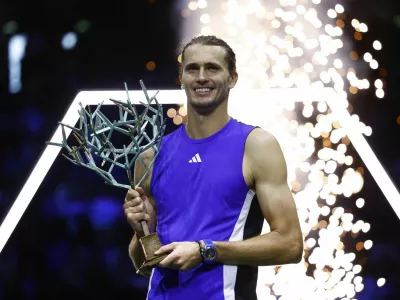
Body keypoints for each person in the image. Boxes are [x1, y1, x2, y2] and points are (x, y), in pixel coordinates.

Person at [123, 35, 303, 300]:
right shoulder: (151, 156)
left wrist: (205, 250)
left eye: (213, 68)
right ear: (181, 78)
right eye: (192, 69)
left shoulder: (256, 146)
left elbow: (290, 245)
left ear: (232, 79)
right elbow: (142, 264)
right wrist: (141, 233)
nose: (201, 77)